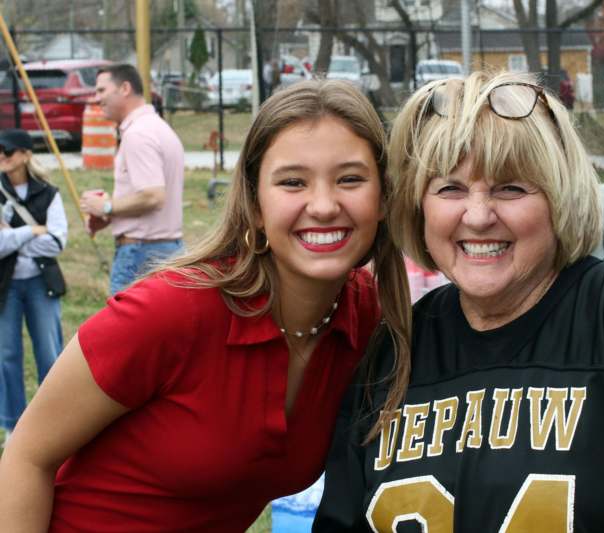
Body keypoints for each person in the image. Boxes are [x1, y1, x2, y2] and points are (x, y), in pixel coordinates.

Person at [314, 71, 604, 532]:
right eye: (450, 188)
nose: (479, 215)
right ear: (418, 205)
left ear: (558, 196)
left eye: (511, 187)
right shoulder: (397, 347)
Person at [0, 79, 411, 532]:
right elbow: (26, 455)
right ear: (254, 203)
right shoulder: (171, 310)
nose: (324, 205)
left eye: (350, 179)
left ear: (383, 198)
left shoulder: (368, 317)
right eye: (292, 181)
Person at [79, 63, 185, 295]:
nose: (96, 99)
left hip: (141, 253)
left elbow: (153, 196)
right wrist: (110, 214)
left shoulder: (138, 134)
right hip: (166, 248)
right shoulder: (157, 127)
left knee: (122, 330)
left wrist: (106, 206)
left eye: (101, 91)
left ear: (124, 88)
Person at [0, 129, 67, 447]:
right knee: (7, 354)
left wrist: (11, 237)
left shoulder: (48, 193)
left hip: (41, 284)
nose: (2, 156)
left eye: (8, 151)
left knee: (49, 353)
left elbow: (57, 242)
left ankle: (55, 423)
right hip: (6, 286)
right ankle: (13, 426)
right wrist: (30, 232)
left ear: (25, 154)